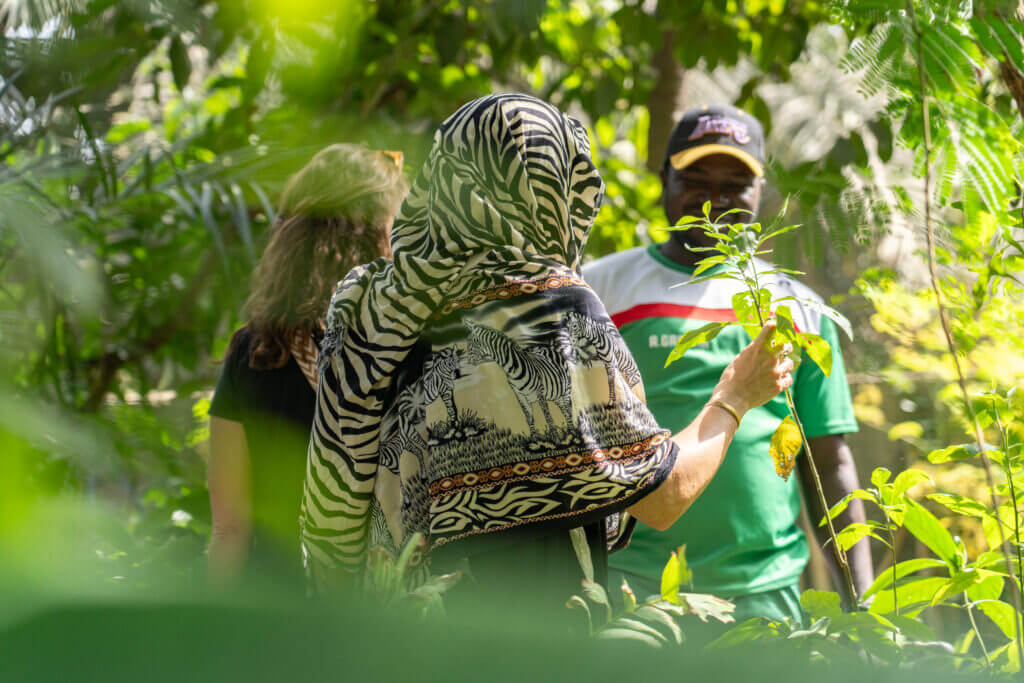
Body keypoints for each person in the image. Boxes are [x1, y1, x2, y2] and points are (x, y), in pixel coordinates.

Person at [299, 94, 794, 617]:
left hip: (392, 622)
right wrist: (735, 395)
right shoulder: (550, 312)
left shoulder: (371, 301)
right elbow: (662, 497)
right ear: (553, 191)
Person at [583, 104, 872, 622]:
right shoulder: (600, 290)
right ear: (664, 178)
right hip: (634, 590)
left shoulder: (796, 307)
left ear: (760, 191)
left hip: (768, 597)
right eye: (695, 178)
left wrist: (865, 611)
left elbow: (829, 464)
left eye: (736, 183)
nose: (714, 198)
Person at [207, 144, 407, 584]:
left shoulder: (254, 353)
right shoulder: (407, 347)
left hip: (276, 612)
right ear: (379, 234)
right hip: (386, 606)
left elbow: (229, 530)